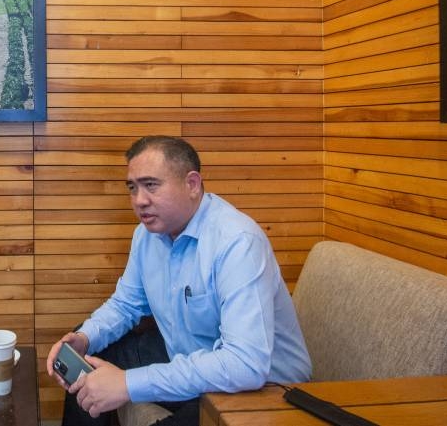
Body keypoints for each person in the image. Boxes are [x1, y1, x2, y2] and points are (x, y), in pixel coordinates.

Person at [46, 135, 311, 426]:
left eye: (151, 185)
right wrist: (85, 337)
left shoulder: (236, 242)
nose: (139, 201)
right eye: (133, 188)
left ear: (192, 185)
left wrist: (128, 383)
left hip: (262, 386)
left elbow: (245, 364)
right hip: (188, 354)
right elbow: (125, 305)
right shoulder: (146, 235)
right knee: (85, 352)